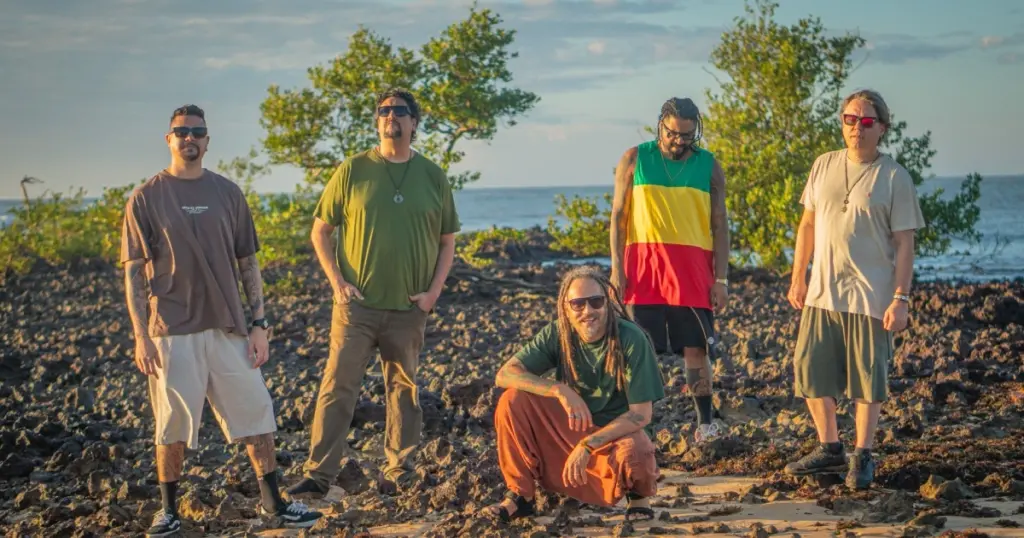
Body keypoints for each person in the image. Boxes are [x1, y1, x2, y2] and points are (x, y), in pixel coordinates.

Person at [121, 104, 322, 537]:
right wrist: (141, 336)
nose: (189, 138)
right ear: (168, 138)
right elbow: (134, 273)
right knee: (173, 423)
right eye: (181, 132)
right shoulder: (146, 197)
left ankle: (274, 502)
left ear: (208, 140)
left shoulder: (229, 193)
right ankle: (169, 510)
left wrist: (260, 323)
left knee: (257, 410)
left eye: (198, 131)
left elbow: (247, 263)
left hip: (229, 327)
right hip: (172, 330)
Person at [286, 88, 460, 497]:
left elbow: (447, 240)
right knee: (337, 387)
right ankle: (318, 475)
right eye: (384, 111)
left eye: (399, 111)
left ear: (414, 123)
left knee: (404, 390)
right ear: (377, 121)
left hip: (408, 308)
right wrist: (337, 283)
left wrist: (433, 293)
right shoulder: (352, 170)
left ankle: (401, 469)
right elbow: (320, 230)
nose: (390, 117)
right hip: (356, 307)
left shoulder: (433, 175)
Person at [784, 89, 926, 490]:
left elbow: (904, 244)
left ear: (881, 127)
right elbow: (808, 226)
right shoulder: (823, 165)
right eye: (849, 119)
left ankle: (862, 456)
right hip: (822, 293)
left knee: (867, 380)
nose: (856, 128)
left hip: (872, 296)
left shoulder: (895, 176)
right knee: (809, 372)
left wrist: (901, 298)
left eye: (866, 121)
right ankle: (829, 449)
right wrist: (798, 277)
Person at [481, 266, 665, 522]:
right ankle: (520, 496)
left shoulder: (631, 338)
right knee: (512, 401)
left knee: (637, 452)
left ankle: (638, 497)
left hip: (614, 435)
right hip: (571, 427)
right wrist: (559, 390)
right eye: (577, 304)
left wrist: (588, 445)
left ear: (608, 304)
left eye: (596, 302)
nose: (587, 311)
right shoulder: (558, 332)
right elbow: (506, 374)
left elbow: (640, 415)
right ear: (565, 308)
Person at [610, 97, 730, 444]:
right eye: (673, 134)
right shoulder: (634, 159)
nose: (679, 141)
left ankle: (705, 425)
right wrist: (617, 270)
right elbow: (618, 217)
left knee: (697, 351)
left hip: (693, 275)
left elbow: (720, 224)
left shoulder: (709, 165)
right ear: (660, 125)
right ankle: (636, 429)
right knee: (636, 353)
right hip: (643, 274)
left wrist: (720, 279)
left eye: (687, 136)